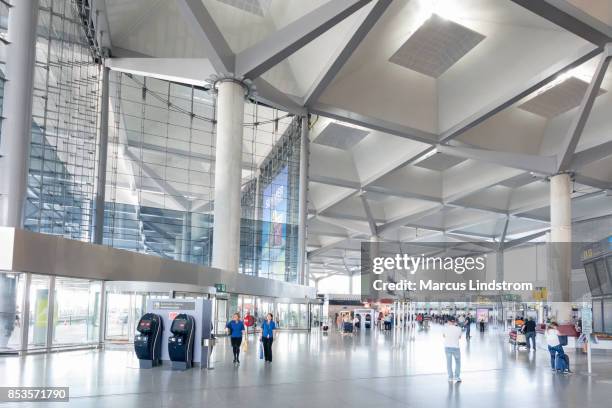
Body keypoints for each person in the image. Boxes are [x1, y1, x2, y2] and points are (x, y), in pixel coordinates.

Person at [442, 317, 462, 382]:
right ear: (454, 322)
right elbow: (459, 337)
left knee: (449, 363)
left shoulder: (445, 328)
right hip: (456, 348)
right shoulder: (459, 329)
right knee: (458, 363)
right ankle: (457, 377)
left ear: (449, 322)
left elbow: (444, 336)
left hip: (447, 347)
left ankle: (450, 377)